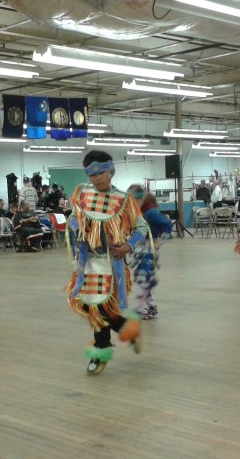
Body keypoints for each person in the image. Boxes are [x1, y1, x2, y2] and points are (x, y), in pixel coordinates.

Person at [67, 150, 148, 375]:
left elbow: (141, 227)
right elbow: (73, 219)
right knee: (92, 306)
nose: (97, 178)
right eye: (92, 174)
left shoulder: (123, 200)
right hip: (87, 263)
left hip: (112, 265)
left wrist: (128, 246)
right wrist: (78, 230)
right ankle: (127, 330)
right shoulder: (82, 196)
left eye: (102, 172)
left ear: (111, 171)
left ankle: (101, 350)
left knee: (100, 306)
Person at [127, 184, 172, 320]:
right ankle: (148, 308)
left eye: (133, 200)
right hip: (139, 248)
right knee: (141, 279)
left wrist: (161, 240)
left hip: (149, 249)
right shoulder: (137, 213)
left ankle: (141, 308)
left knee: (144, 278)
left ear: (141, 199)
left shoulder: (150, 212)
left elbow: (167, 224)